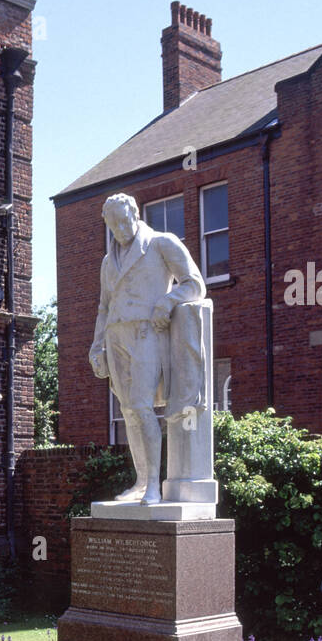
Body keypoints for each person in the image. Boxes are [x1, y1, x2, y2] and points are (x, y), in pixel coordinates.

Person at [90, 192, 206, 504]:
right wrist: (96, 346)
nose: (120, 229)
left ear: (135, 215)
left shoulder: (161, 243)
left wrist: (167, 302)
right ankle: (140, 482)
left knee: (141, 407)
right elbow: (103, 308)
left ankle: (154, 484)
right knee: (128, 411)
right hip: (116, 337)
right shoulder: (107, 261)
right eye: (113, 225)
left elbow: (194, 284)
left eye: (124, 221)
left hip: (146, 333)